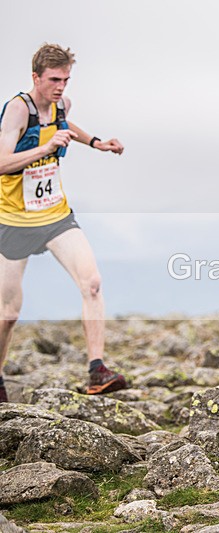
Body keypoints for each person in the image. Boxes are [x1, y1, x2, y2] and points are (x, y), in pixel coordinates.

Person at [0, 44, 127, 403]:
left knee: (92, 284)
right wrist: (44, 149)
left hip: (55, 214)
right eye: (54, 80)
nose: (61, 87)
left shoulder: (61, 105)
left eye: (66, 79)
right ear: (36, 77)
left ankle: (97, 370)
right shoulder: (16, 110)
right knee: (8, 313)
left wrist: (96, 143)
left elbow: (64, 124)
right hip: (13, 220)